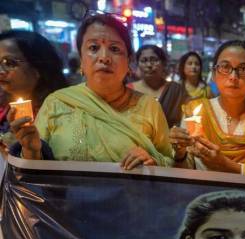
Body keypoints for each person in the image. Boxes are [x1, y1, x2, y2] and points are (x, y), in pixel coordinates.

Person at [7, 13, 172, 168]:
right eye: (94, 48)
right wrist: (31, 150)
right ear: (81, 60)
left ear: (128, 62)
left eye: (114, 49)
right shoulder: (56, 103)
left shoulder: (149, 106)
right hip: (63, 199)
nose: (104, 57)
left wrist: (152, 160)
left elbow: (170, 161)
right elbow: (35, 174)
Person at [169, 40, 245, 176]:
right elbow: (186, 169)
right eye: (225, 67)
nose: (233, 77)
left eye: (243, 69)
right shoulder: (196, 112)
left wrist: (225, 164)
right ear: (214, 74)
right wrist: (180, 153)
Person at [0, 30, 68, 150]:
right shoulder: (4, 109)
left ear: (38, 67)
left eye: (9, 63)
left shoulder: (61, 114)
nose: (1, 71)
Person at [128, 45, 188, 127]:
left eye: (154, 60)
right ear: (138, 64)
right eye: (144, 61)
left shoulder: (175, 90)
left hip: (170, 138)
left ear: (163, 63)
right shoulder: (128, 90)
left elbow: (186, 117)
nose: (149, 65)